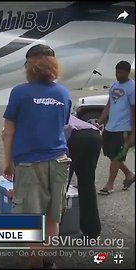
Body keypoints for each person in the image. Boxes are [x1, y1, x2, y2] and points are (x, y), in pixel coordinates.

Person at [1, 44, 72, 269]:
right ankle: (48, 261)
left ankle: (34, 263)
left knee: (32, 220)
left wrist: (8, 163)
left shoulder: (20, 92)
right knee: (53, 216)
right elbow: (64, 124)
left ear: (29, 66)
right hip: (59, 160)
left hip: (30, 163)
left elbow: (8, 132)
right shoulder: (63, 92)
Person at [97, 61, 135, 195]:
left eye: (121, 72)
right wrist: (101, 121)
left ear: (127, 72)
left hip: (124, 129)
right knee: (110, 153)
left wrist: (133, 133)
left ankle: (109, 185)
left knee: (117, 157)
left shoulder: (132, 87)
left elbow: (134, 110)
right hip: (110, 127)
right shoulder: (114, 85)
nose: (118, 75)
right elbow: (108, 105)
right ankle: (129, 174)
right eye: (116, 72)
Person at [65, 115, 102, 238]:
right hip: (93, 134)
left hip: (74, 137)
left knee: (59, 186)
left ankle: (52, 231)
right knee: (87, 183)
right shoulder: (59, 105)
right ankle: (92, 232)